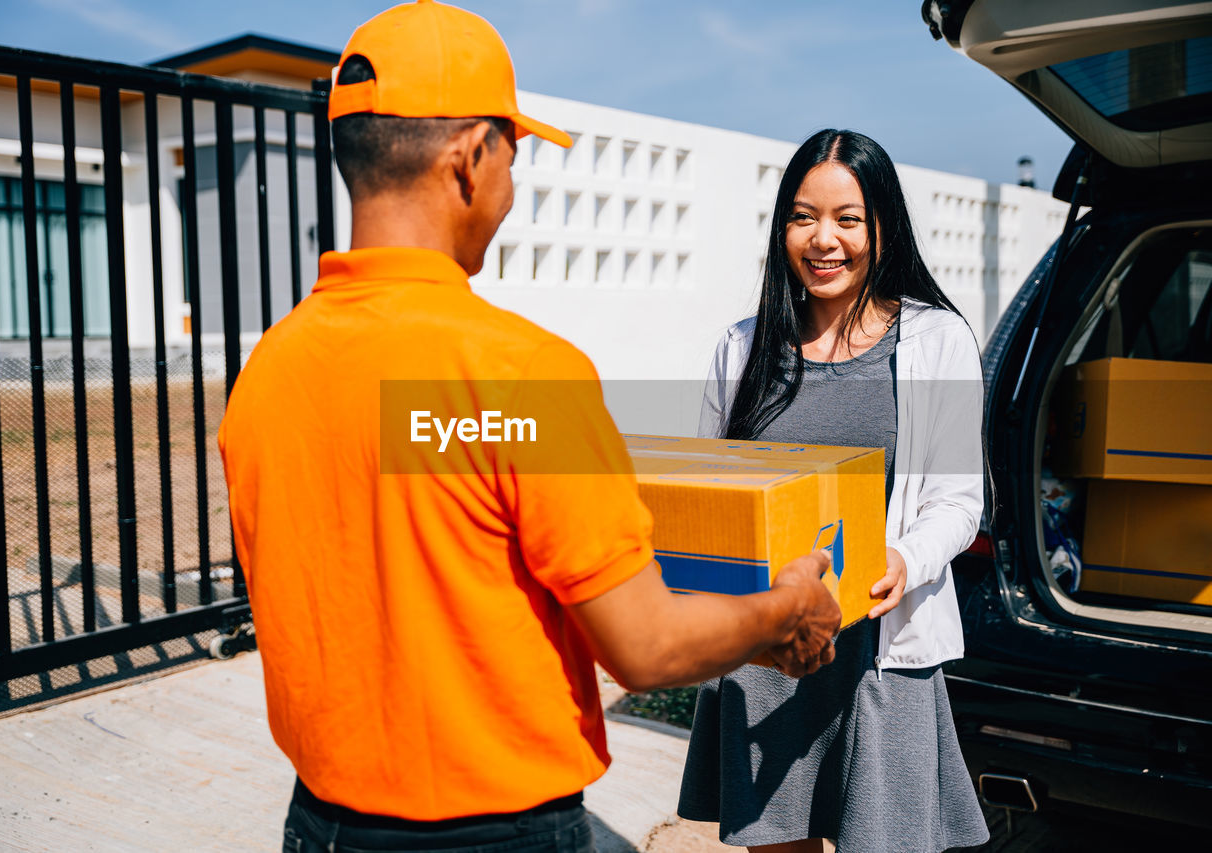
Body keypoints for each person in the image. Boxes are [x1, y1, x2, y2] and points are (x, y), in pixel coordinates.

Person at [218, 4, 842, 852]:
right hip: (494, 833)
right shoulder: (520, 375)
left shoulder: (270, 371)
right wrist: (788, 610)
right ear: (471, 158)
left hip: (321, 824)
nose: (513, 187)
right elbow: (647, 645)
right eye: (514, 156)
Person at [676, 129, 991, 853]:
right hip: (767, 651)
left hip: (879, 646)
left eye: (848, 219)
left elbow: (956, 500)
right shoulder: (740, 346)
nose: (824, 239)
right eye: (802, 217)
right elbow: (709, 494)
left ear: (883, 227)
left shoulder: (936, 341)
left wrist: (904, 557)